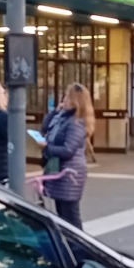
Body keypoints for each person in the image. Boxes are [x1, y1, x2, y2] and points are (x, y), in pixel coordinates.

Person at [38, 82, 93, 228]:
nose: (64, 100)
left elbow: (68, 150)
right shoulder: (63, 118)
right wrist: (55, 112)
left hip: (70, 174)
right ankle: (70, 246)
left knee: (70, 216)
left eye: (68, 97)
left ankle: (78, 248)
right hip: (61, 172)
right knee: (63, 215)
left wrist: (48, 148)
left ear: (76, 101)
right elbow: (45, 128)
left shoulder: (76, 123)